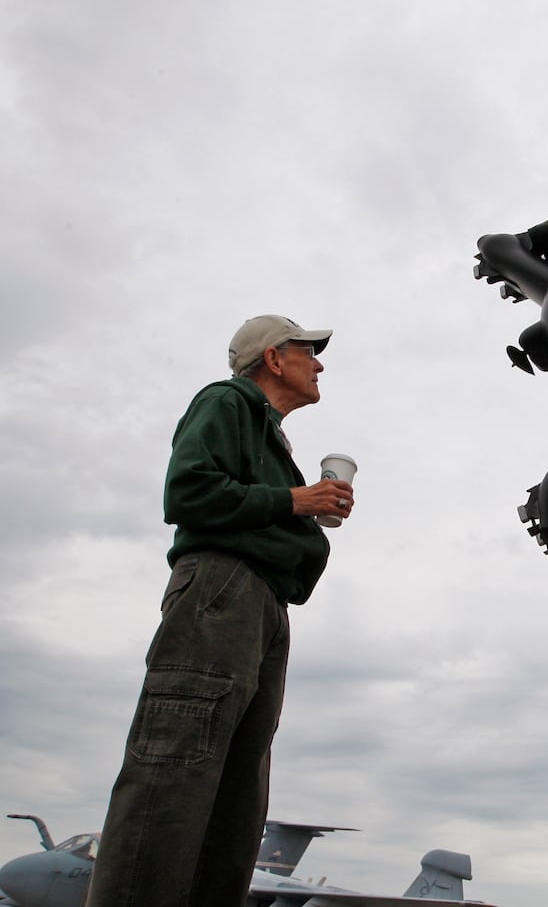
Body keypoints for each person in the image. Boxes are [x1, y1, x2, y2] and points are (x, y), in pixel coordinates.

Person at [86, 314, 355, 907]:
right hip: (221, 591)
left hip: (262, 602)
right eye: (308, 350)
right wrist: (295, 499)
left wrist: (300, 507)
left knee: (237, 793)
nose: (319, 363)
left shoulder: (270, 434)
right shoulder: (226, 401)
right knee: (174, 771)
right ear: (273, 359)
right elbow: (188, 493)